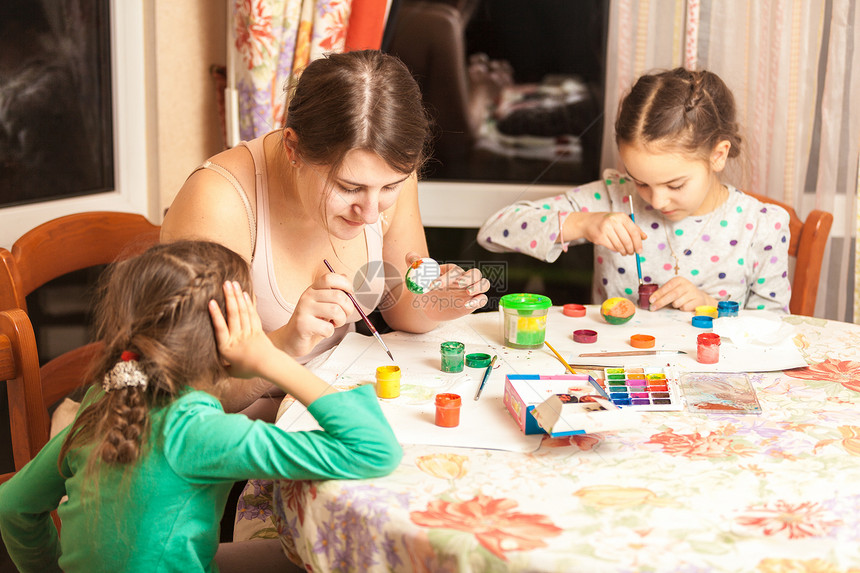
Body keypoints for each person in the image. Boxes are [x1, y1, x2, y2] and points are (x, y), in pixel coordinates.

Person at [0, 240, 402, 572]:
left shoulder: (107, 397)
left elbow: (13, 507)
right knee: (310, 559)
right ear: (229, 340)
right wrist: (271, 359)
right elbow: (373, 450)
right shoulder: (202, 433)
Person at [161, 50, 490, 418]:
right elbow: (190, 395)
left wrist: (438, 302)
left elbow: (400, 305)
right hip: (246, 440)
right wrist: (285, 344)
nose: (369, 213)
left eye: (391, 188)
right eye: (349, 188)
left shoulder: (384, 169)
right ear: (293, 148)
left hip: (337, 413)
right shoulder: (219, 201)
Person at [478, 68, 791, 312]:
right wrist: (583, 223)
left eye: (675, 184)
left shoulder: (762, 225)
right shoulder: (614, 198)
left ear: (718, 155)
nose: (656, 200)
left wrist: (713, 307)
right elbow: (493, 230)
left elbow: (773, 327)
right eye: (641, 181)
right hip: (617, 375)